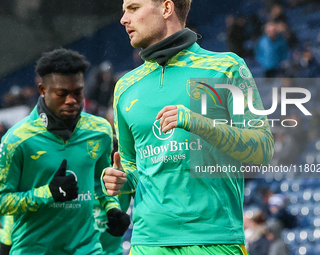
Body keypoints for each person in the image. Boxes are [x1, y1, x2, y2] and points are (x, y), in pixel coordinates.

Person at [103, 0, 274, 254]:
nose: (123, 19)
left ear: (166, 8)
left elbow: (262, 149)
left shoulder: (225, 67)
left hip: (214, 239)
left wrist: (198, 123)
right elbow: (133, 166)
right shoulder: (124, 87)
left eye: (134, 8)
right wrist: (121, 180)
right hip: (148, 242)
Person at [0, 48, 130, 254]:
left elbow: (100, 182)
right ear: (42, 90)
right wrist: (48, 193)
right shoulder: (17, 140)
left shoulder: (100, 130)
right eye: (62, 94)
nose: (71, 100)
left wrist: (112, 208)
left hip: (87, 247)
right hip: (35, 250)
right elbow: (3, 201)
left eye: (77, 92)